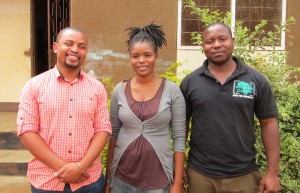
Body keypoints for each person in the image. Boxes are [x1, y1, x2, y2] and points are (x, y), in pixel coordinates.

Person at [179, 22, 281, 193]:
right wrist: (179, 165)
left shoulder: (255, 80)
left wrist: (272, 173)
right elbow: (182, 125)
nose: (216, 45)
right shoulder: (190, 82)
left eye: (222, 39)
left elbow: (269, 124)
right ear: (203, 46)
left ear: (232, 41)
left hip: (244, 176)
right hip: (200, 176)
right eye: (209, 41)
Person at [17, 27, 112, 193]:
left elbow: (103, 129)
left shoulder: (97, 88)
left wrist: (81, 166)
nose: (75, 50)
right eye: (69, 44)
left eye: (81, 46)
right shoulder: (34, 86)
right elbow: (27, 132)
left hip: (89, 181)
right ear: (55, 47)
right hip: (47, 181)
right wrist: (67, 169)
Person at [104, 23, 186, 193]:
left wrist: (177, 183)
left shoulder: (172, 91)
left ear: (156, 56)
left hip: (158, 179)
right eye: (135, 56)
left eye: (147, 55)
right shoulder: (120, 90)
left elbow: (179, 139)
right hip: (121, 178)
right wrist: (108, 179)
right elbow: (114, 137)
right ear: (130, 58)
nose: (141, 60)